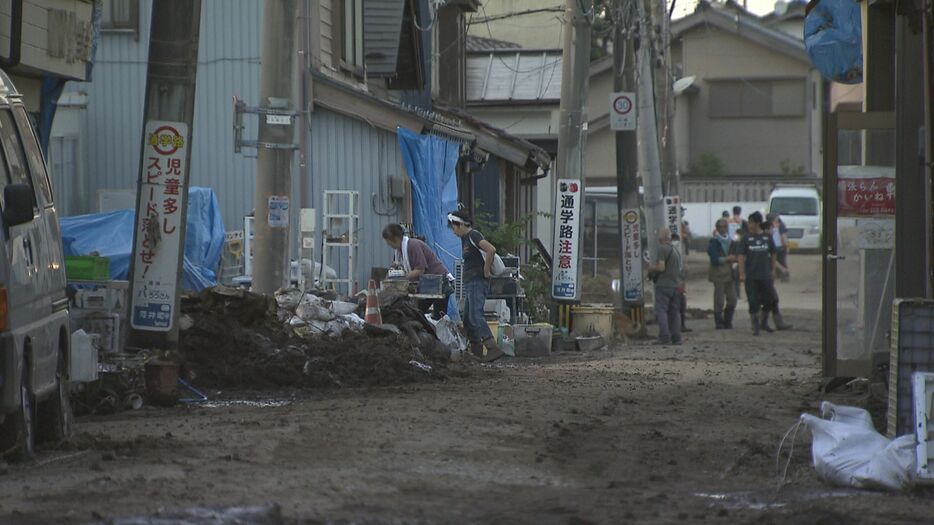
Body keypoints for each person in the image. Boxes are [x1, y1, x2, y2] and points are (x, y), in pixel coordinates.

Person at [447, 210, 505, 362]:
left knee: (475, 315)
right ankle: (476, 351)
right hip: (471, 282)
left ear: (459, 225)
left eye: (453, 227)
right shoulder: (465, 239)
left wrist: (486, 270)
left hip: (477, 281)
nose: (453, 231)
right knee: (467, 318)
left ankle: (492, 347)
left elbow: (491, 249)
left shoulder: (473, 235)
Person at [381, 224, 453, 320]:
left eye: (388, 241)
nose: (388, 244)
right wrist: (386, 281)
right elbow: (394, 268)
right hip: (426, 284)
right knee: (416, 312)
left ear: (395, 238)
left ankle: (442, 334)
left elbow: (420, 269)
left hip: (439, 282)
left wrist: (401, 279)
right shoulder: (398, 251)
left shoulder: (413, 245)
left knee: (439, 316)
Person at [737, 212, 778, 336]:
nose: (749, 225)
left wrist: (773, 270)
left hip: (765, 274)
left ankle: (764, 322)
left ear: (757, 223)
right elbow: (741, 256)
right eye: (749, 222)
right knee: (753, 301)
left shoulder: (767, 237)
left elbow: (773, 253)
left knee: (771, 299)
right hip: (751, 275)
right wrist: (742, 272)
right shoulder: (746, 238)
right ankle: (755, 326)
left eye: (751, 222)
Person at [648, 228, 683, 345]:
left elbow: (661, 267)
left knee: (661, 311)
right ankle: (676, 337)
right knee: (674, 312)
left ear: (661, 238)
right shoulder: (676, 251)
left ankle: (664, 336)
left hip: (663, 285)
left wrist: (651, 268)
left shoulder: (662, 249)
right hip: (675, 285)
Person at [707, 218, 738, 329]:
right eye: (720, 227)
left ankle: (727, 321)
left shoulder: (731, 241)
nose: (723, 229)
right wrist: (727, 259)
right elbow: (714, 259)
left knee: (733, 299)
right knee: (719, 300)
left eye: (725, 227)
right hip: (719, 274)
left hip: (730, 274)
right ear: (717, 228)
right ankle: (719, 322)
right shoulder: (714, 241)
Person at [769, 212, 790, 282]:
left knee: (776, 261)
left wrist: (785, 245)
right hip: (779, 246)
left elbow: (783, 236)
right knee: (781, 261)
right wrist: (786, 245)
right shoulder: (780, 224)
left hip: (778, 246)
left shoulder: (778, 225)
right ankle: (783, 274)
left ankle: (784, 272)